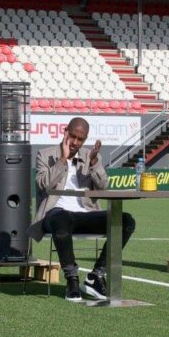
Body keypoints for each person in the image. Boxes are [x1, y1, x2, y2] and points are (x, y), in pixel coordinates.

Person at [28, 117, 136, 302]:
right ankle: (72, 279)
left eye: (81, 139)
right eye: (73, 137)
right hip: (54, 214)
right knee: (60, 218)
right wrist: (63, 159)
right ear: (65, 132)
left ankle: (96, 275)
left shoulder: (89, 156)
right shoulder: (45, 154)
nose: (76, 143)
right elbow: (43, 185)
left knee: (126, 220)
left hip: (86, 214)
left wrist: (94, 163)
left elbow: (102, 187)